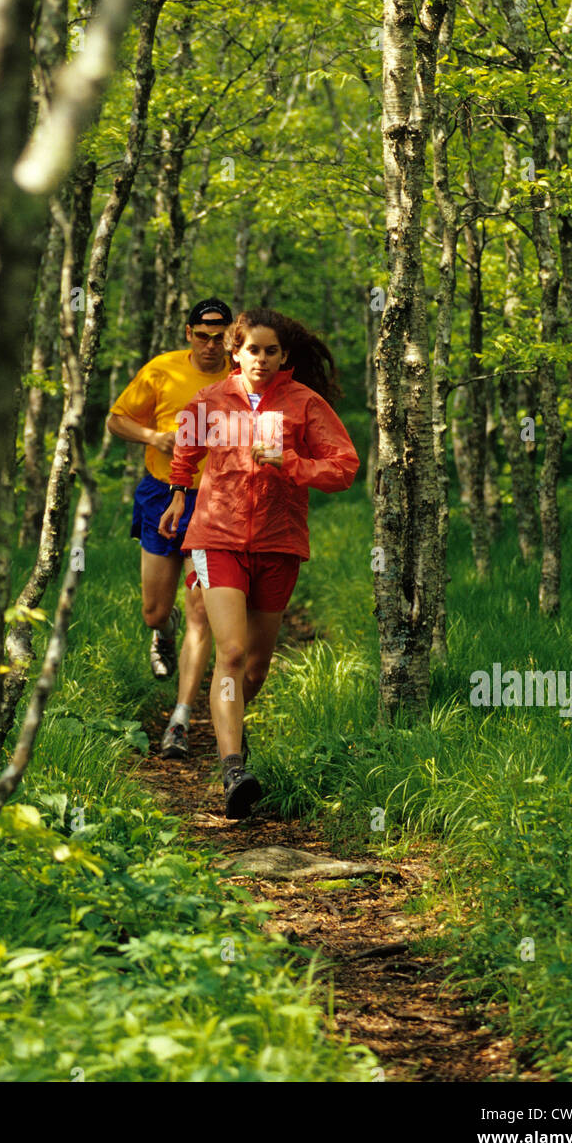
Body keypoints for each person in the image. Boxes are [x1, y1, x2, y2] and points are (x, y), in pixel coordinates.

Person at [158, 307, 359, 818]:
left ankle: (233, 727)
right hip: (217, 535)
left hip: (278, 540)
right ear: (235, 351)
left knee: (256, 665)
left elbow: (344, 468)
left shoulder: (303, 404)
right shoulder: (210, 400)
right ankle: (232, 771)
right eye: (253, 350)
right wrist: (180, 495)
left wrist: (290, 464)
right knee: (230, 650)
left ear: (284, 356)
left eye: (272, 351)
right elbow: (185, 449)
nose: (262, 359)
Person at [107, 297, 233, 759]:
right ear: (188, 334)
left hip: (215, 503)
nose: (210, 346)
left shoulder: (241, 376)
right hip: (161, 493)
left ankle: (180, 719)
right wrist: (153, 437)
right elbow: (116, 419)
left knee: (201, 611)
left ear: (231, 335)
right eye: (202, 336)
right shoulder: (161, 370)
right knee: (154, 611)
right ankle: (164, 630)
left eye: (219, 337)